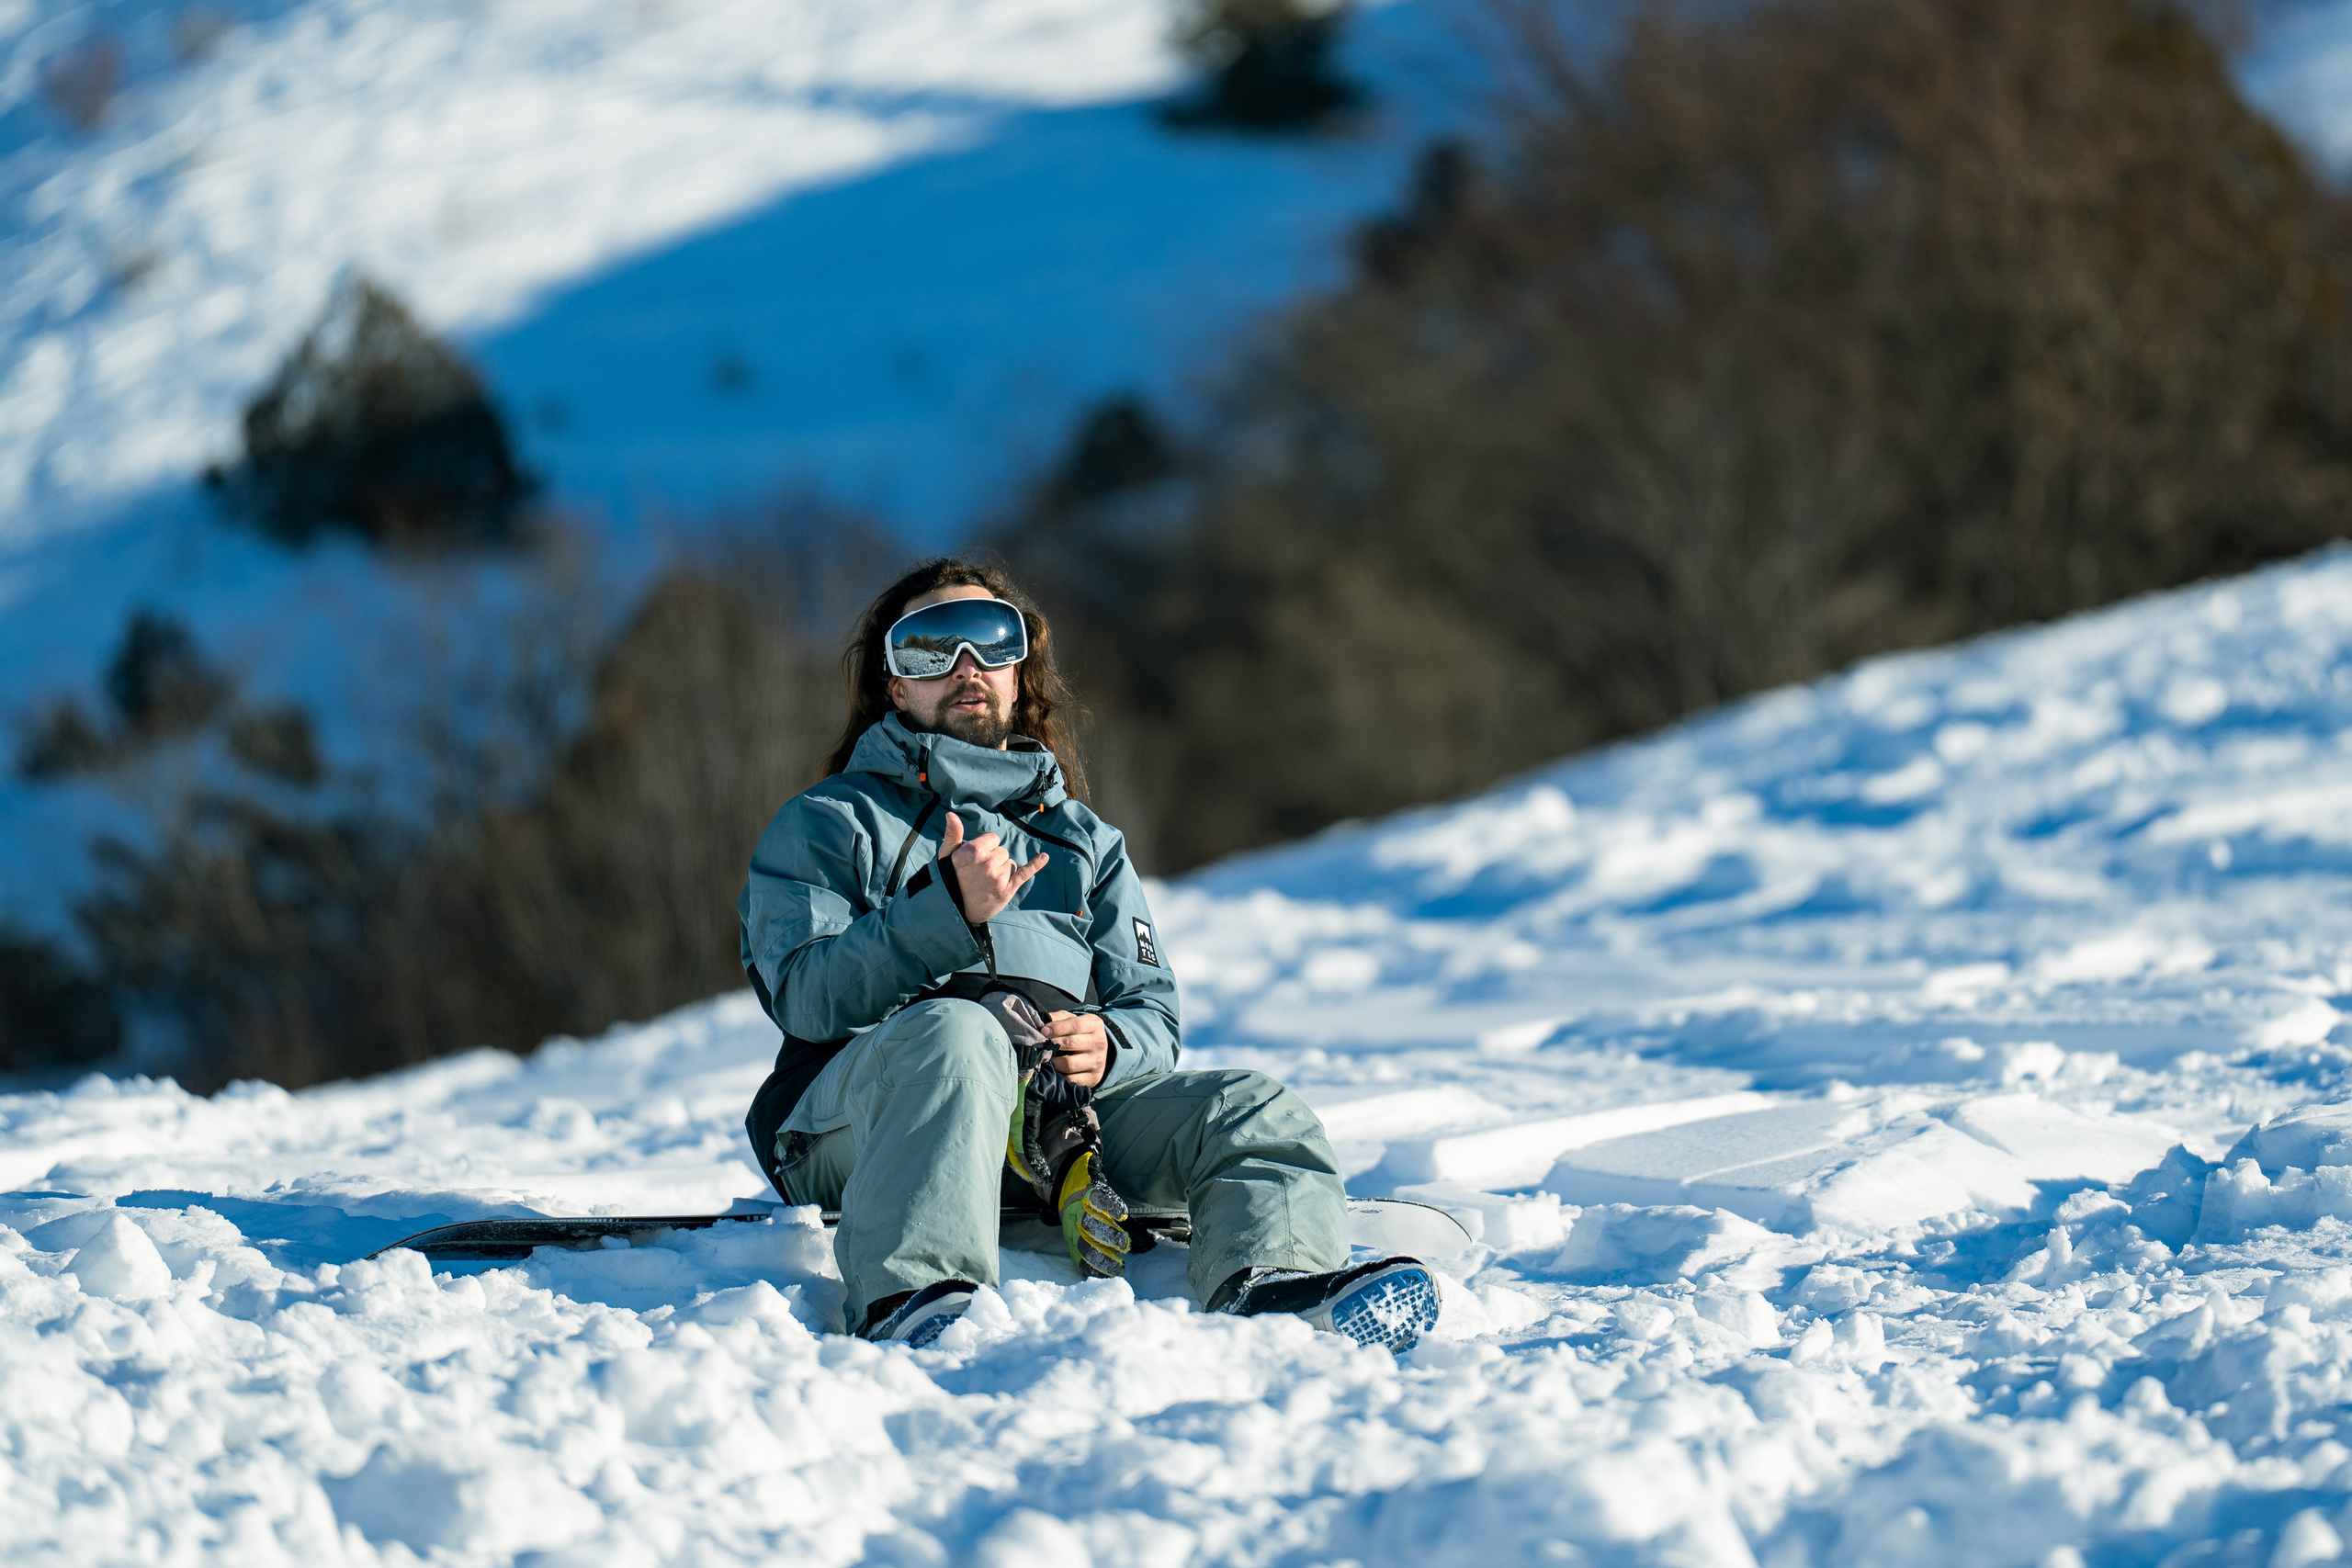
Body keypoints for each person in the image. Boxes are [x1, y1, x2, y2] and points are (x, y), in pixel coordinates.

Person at [738, 558, 1442, 1350]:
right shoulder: (831, 820)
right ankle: (917, 1296)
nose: (964, 666)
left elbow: (1151, 1010)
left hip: (1048, 1132)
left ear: (1017, 668)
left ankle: (1274, 1284)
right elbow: (803, 992)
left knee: (1251, 1106)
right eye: (930, 648)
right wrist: (940, 911)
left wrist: (1108, 1046)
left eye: (988, 640)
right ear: (896, 686)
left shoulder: (1085, 843)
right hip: (861, 1120)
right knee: (957, 1035)